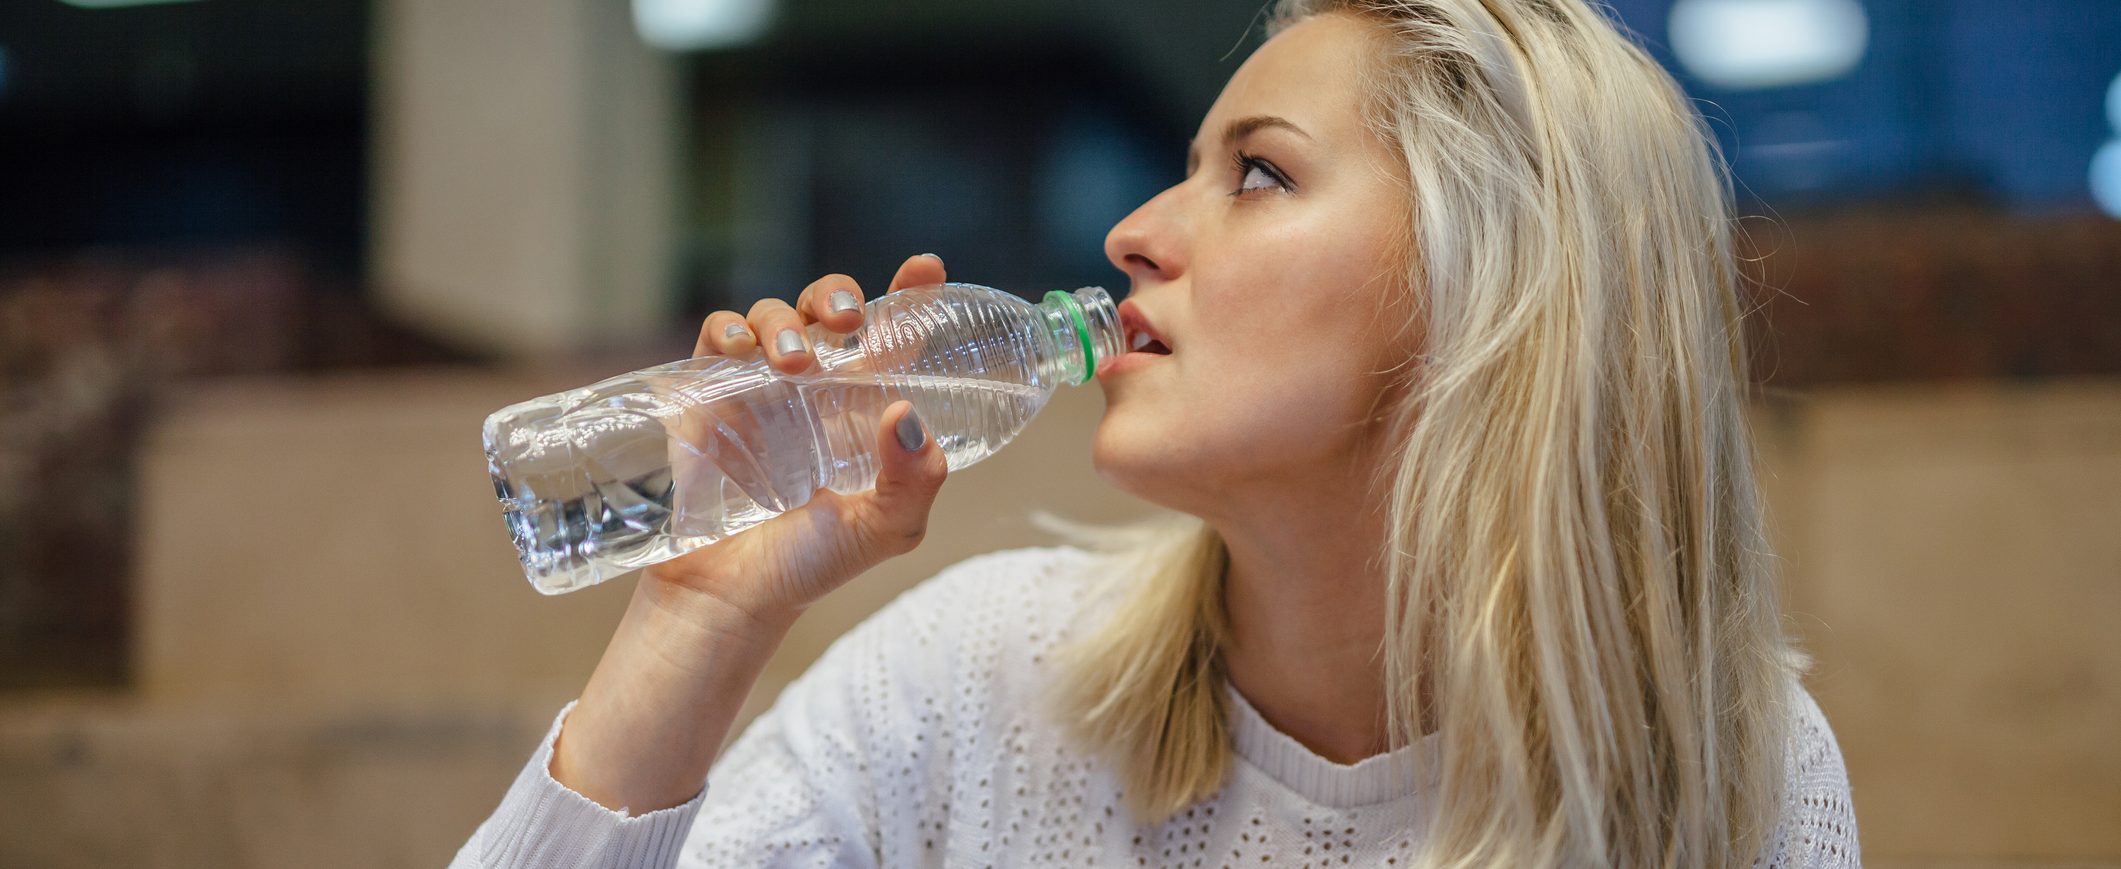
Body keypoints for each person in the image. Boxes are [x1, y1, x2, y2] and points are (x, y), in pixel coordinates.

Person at [452, 0, 1860, 865]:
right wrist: (700, 620)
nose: (1131, 233)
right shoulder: (975, 679)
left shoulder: (1730, 768)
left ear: (1486, 283)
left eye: (1256, 173)